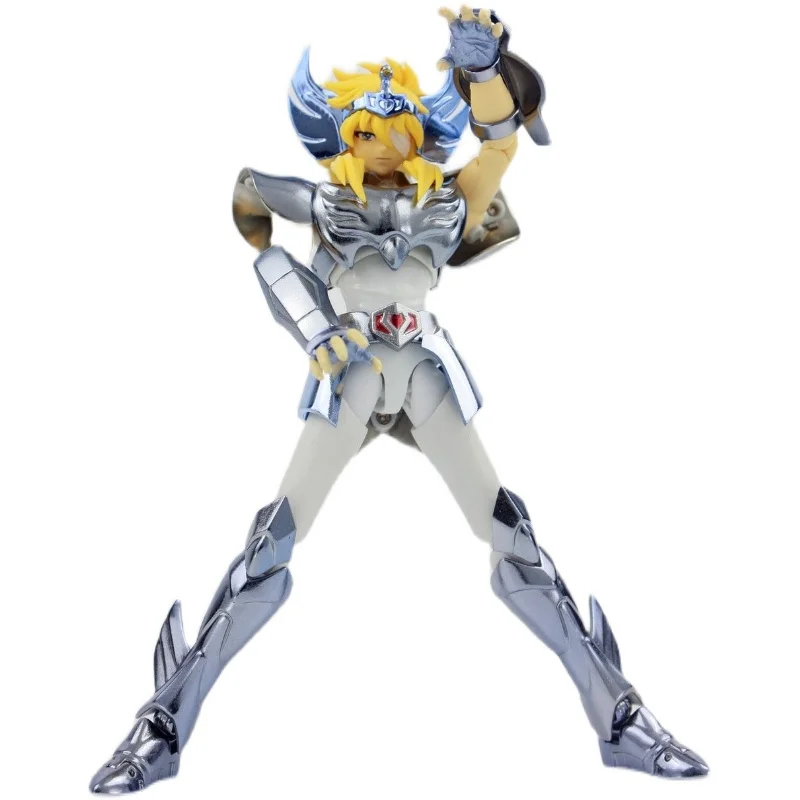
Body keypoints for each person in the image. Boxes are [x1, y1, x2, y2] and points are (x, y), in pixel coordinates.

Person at [89, 7, 708, 793]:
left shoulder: (445, 201)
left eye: (398, 126)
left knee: (515, 537)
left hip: (425, 369)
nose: (383, 141)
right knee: (270, 545)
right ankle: (162, 727)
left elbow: (501, 145)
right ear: (342, 136)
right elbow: (249, 203)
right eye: (365, 128)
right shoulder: (325, 202)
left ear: (420, 132)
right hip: (349, 372)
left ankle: (619, 718)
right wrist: (313, 314)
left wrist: (482, 73)